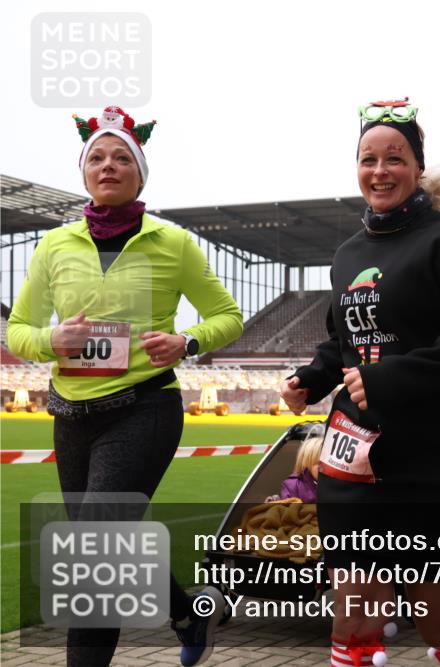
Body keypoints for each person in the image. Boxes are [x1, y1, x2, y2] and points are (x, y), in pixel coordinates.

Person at [279, 99, 440, 666]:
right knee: (355, 611)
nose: (380, 170)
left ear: (417, 167)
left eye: (395, 158)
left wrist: (391, 379)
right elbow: (344, 342)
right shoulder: (346, 255)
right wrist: (310, 379)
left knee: (437, 626)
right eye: (368, 159)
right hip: (356, 451)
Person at [6, 106, 244, 667]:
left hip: (145, 406)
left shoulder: (174, 243)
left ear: (140, 172)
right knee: (110, 542)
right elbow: (18, 330)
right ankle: (187, 614)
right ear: (84, 173)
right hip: (70, 414)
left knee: (94, 549)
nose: (107, 165)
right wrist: (51, 340)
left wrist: (186, 342)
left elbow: (228, 316)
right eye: (96, 157)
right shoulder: (54, 245)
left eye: (121, 157)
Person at [265, 436, 322, 503]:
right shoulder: (292, 486)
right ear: (307, 463)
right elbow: (288, 511)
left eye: (328, 465)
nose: (324, 468)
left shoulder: (334, 484)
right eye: (318, 463)